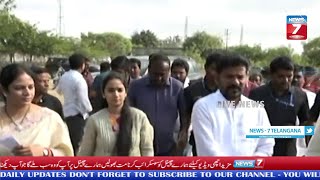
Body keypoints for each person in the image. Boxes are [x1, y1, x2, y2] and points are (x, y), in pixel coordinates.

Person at [192, 53, 274, 156]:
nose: (235, 82)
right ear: (217, 78)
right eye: (229, 77)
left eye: (240, 77)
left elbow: (266, 145)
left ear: (247, 78)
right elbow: (208, 152)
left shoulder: (256, 109)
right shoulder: (203, 107)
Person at [0, 64, 73, 156]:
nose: (27, 93)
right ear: (4, 90)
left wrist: (44, 152)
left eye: (30, 87)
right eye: (19, 88)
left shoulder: (50, 118)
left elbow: (66, 154)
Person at [78, 72, 154, 156]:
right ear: (103, 94)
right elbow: (84, 153)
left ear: (126, 93)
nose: (116, 94)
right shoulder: (94, 120)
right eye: (111, 90)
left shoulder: (139, 117)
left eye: (120, 90)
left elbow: (147, 150)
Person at [249, 56, 310, 156]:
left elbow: (306, 123)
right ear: (271, 75)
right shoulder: (257, 94)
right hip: (262, 150)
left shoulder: (300, 95)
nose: (286, 80)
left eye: (289, 76)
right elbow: (249, 124)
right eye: (281, 76)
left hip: (288, 151)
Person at [128, 53, 187, 156]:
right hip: (141, 145)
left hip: (169, 146)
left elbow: (184, 114)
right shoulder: (135, 87)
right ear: (149, 70)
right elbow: (128, 113)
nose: (159, 78)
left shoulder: (177, 88)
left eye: (162, 74)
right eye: (155, 74)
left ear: (168, 71)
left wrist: (183, 134)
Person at [184, 52, 222, 156]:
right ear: (206, 68)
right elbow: (186, 116)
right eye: (214, 69)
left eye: (220, 70)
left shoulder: (227, 92)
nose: (217, 73)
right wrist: (183, 135)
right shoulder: (192, 90)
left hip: (222, 141)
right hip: (199, 141)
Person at [56, 53, 93, 154]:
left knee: (71, 141)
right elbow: (83, 99)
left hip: (67, 113)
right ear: (82, 65)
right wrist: (90, 111)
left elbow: (58, 91)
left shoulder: (64, 76)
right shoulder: (79, 79)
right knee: (79, 143)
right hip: (78, 114)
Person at [292, 65, 317, 156]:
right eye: (293, 77)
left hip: (306, 144)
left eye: (298, 77)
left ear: (304, 79)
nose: (295, 80)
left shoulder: (312, 96)